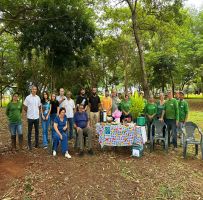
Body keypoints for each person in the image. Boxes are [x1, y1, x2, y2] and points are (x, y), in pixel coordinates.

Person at [24, 85, 41, 150]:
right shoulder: (28, 97)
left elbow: (39, 106)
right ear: (31, 90)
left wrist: (38, 113)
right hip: (30, 117)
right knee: (29, 132)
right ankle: (29, 145)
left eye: (35, 89)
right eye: (33, 89)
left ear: (36, 90)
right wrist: (28, 112)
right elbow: (25, 106)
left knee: (37, 131)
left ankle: (37, 144)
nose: (34, 90)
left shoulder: (38, 98)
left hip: (36, 117)